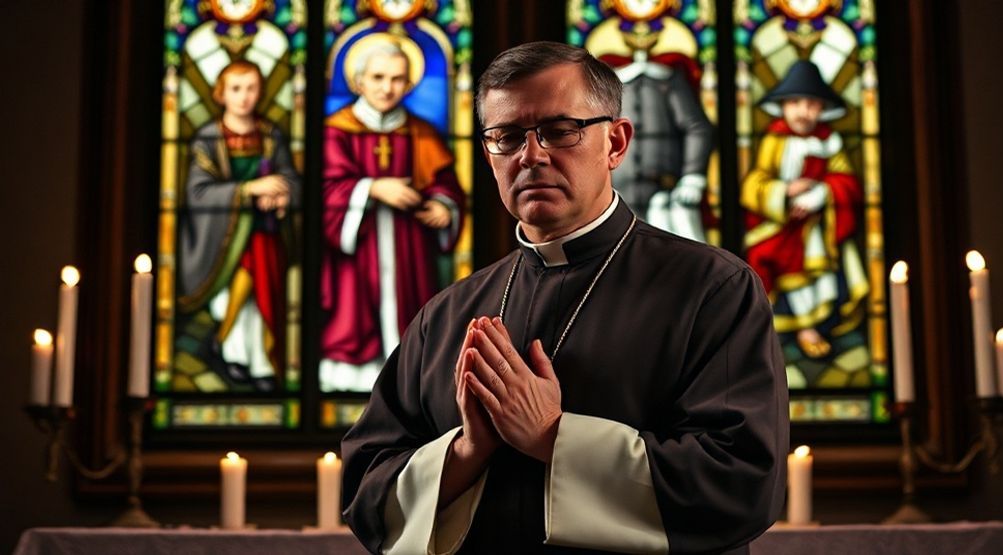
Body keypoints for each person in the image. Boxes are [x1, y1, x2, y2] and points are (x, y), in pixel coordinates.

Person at [342, 41, 786, 554]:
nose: (531, 156)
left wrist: (553, 437)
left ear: (616, 143)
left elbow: (743, 483)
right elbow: (365, 490)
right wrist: (466, 451)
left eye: (559, 130)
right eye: (506, 137)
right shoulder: (446, 314)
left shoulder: (712, 288)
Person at [321, 41, 466, 393]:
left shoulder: (423, 132)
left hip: (410, 246)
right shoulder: (335, 131)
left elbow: (447, 184)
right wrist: (371, 189)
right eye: (378, 77)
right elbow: (322, 190)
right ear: (358, 82)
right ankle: (351, 380)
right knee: (353, 315)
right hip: (357, 250)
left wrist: (443, 207)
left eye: (398, 79)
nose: (388, 88)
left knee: (413, 319)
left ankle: (409, 378)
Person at [178, 60, 300, 391]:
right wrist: (248, 191)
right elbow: (197, 193)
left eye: (251, 88)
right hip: (221, 242)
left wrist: (281, 194)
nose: (244, 97)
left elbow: (290, 178)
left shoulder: (270, 135)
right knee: (246, 283)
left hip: (265, 232)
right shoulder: (208, 138)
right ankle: (230, 349)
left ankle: (258, 360)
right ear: (220, 94)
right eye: (235, 89)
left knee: (262, 298)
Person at [740, 60, 868, 360]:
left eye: (812, 104)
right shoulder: (774, 140)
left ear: (822, 109)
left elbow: (846, 182)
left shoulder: (830, 142)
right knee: (766, 256)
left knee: (820, 271)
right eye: (795, 102)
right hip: (777, 223)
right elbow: (754, 184)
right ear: (783, 106)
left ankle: (811, 327)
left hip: (821, 226)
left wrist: (820, 195)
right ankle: (775, 327)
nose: (803, 111)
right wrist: (784, 193)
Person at [605, 33, 716, 242]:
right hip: (615, 196)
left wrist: (692, 177)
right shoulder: (609, 84)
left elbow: (697, 128)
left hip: (665, 196)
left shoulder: (668, 80)